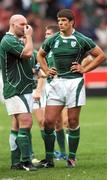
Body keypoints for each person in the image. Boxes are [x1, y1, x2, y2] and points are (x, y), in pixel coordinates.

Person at [36, 9, 106, 168]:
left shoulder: (81, 39)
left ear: (71, 22)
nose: (60, 23)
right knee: (48, 122)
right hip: (56, 83)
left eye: (64, 21)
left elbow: (101, 55)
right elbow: (40, 55)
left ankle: (71, 158)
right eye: (59, 20)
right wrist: (46, 70)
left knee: (72, 121)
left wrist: (84, 69)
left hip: (74, 83)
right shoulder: (52, 39)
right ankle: (49, 159)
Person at [0, 14, 37, 171]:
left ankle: (16, 163)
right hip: (15, 88)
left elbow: (32, 59)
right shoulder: (7, 40)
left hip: (25, 88)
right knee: (26, 123)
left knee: (17, 125)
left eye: (26, 24)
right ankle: (26, 161)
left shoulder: (18, 41)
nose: (25, 27)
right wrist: (29, 38)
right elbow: (28, 54)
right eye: (22, 24)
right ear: (13, 25)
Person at [33, 25, 68, 161]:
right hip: (46, 88)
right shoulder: (44, 51)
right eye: (45, 33)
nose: (46, 36)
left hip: (60, 87)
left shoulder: (61, 48)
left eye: (48, 34)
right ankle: (51, 153)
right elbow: (38, 69)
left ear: (55, 35)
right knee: (45, 121)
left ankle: (63, 153)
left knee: (60, 122)